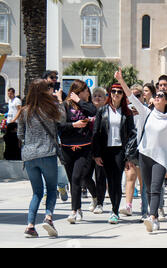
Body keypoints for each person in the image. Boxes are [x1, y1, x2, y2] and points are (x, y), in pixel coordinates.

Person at [115, 68, 167, 232]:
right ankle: (154, 215)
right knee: (148, 189)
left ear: (166, 101)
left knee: (156, 188)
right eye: (156, 95)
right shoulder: (146, 112)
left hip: (161, 159)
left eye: (160, 96)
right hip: (145, 155)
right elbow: (131, 97)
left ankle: (152, 217)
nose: (157, 97)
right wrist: (121, 80)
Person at [18, 79, 65, 238]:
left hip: (30, 156)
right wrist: (59, 100)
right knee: (51, 189)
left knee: (37, 192)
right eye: (49, 88)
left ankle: (30, 226)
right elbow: (63, 119)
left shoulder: (25, 111)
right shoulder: (50, 109)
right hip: (47, 153)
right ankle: (48, 218)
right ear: (45, 91)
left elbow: (20, 134)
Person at [92, 83, 136, 224]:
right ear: (110, 93)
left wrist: (129, 155)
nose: (116, 94)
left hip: (119, 150)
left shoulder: (127, 112)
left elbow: (132, 134)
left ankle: (115, 211)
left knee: (116, 181)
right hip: (106, 150)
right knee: (109, 181)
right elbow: (96, 133)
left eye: (119, 92)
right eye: (114, 91)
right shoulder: (102, 111)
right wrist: (96, 154)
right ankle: (113, 207)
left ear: (123, 95)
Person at [58, 79, 98, 224]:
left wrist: (80, 102)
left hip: (84, 147)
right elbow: (60, 126)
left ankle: (74, 211)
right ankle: (78, 208)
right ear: (79, 91)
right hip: (68, 147)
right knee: (71, 180)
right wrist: (74, 125)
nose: (88, 93)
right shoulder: (65, 106)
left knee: (77, 178)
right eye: (86, 91)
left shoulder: (87, 106)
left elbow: (94, 112)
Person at [120, 84, 148, 220]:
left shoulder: (147, 110)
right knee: (130, 175)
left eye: (138, 96)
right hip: (131, 147)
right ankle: (128, 205)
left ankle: (144, 204)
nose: (135, 99)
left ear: (143, 96)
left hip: (144, 147)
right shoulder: (126, 111)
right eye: (133, 96)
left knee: (142, 178)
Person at [86, 87, 108, 214]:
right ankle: (94, 196)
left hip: (102, 148)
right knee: (85, 176)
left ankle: (100, 202)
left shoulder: (107, 111)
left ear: (105, 99)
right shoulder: (87, 111)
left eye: (100, 96)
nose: (97, 98)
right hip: (88, 148)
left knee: (100, 177)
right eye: (95, 95)